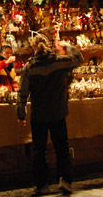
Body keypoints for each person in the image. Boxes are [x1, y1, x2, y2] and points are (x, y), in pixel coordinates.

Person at [17, 35, 83, 196]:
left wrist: (21, 113)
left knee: (39, 150)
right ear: (47, 46)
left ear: (34, 48)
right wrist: (67, 46)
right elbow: (78, 59)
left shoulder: (29, 68)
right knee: (62, 148)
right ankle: (65, 181)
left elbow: (22, 92)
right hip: (57, 112)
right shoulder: (59, 62)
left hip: (39, 115)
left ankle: (42, 184)